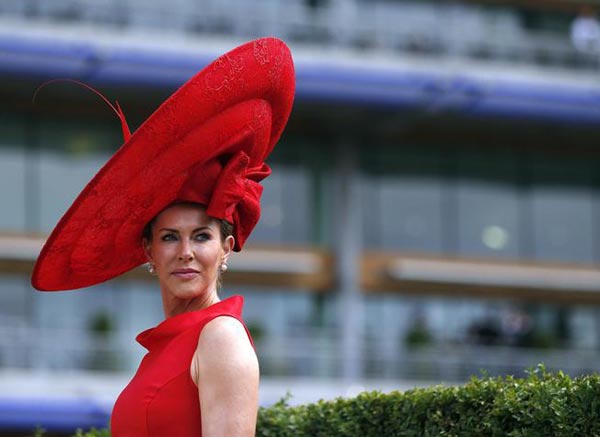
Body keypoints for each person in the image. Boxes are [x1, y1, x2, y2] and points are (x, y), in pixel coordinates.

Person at [31, 37, 295, 436]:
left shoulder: (221, 336)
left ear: (225, 249)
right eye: (170, 237)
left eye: (201, 237)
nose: (186, 252)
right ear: (149, 251)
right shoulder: (162, 348)